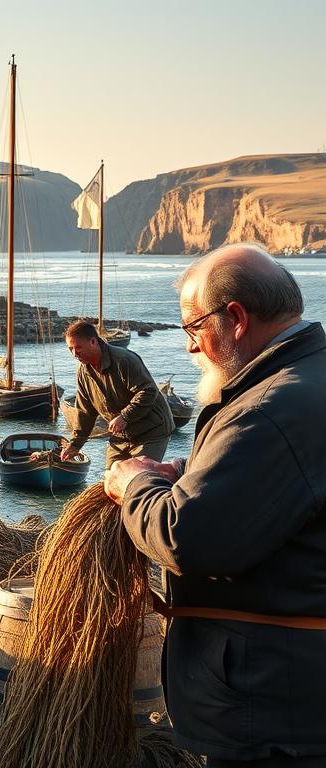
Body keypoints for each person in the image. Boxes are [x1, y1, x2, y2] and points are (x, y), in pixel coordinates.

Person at [104, 244, 326, 767]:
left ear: (236, 319)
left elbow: (190, 539)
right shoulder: (307, 380)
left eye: (192, 327)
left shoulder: (270, 410)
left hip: (271, 707)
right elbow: (295, 487)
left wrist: (135, 484)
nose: (188, 348)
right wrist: (190, 472)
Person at [60, 320, 174, 468]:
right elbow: (85, 412)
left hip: (151, 431)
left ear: (93, 341)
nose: (74, 354)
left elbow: (148, 390)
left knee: (138, 476)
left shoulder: (123, 360)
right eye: (71, 349)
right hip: (120, 436)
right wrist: (75, 444)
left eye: (78, 348)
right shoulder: (83, 372)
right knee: (110, 480)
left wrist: (125, 416)